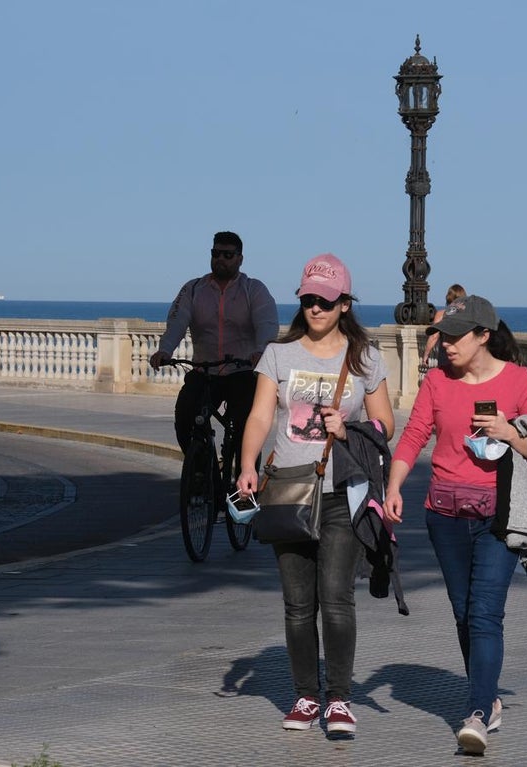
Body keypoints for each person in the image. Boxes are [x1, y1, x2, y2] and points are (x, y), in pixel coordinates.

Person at [236, 253, 395, 735]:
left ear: (344, 304)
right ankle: (306, 696)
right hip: (288, 489)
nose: (316, 309)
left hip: (343, 491)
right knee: (298, 604)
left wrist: (347, 429)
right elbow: (261, 416)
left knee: (337, 598)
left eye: (325, 301)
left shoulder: (365, 357)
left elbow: (385, 425)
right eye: (308, 300)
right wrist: (247, 465)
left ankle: (340, 699)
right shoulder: (279, 355)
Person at [383, 295, 527, 756]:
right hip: (445, 514)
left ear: (483, 337)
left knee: (484, 613)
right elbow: (413, 436)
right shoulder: (436, 381)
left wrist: (511, 433)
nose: (444, 344)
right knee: (462, 612)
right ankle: (488, 696)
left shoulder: (518, 382)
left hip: (500, 516)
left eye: (455, 337)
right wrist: (393, 488)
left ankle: (477, 711)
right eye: (442, 335)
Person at [149, 231, 279, 477]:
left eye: (227, 255)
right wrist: (165, 350)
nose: (221, 259)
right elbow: (177, 322)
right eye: (216, 253)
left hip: (242, 372)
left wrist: (261, 351)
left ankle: (243, 482)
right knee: (185, 418)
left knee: (243, 429)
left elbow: (266, 323)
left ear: (240, 259)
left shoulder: (254, 290)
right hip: (204, 371)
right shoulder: (193, 289)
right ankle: (201, 470)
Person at [420, 283, 467, 368]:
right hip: (464, 355)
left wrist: (425, 355)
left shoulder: (442, 314)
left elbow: (434, 336)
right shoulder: (467, 315)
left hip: (446, 355)